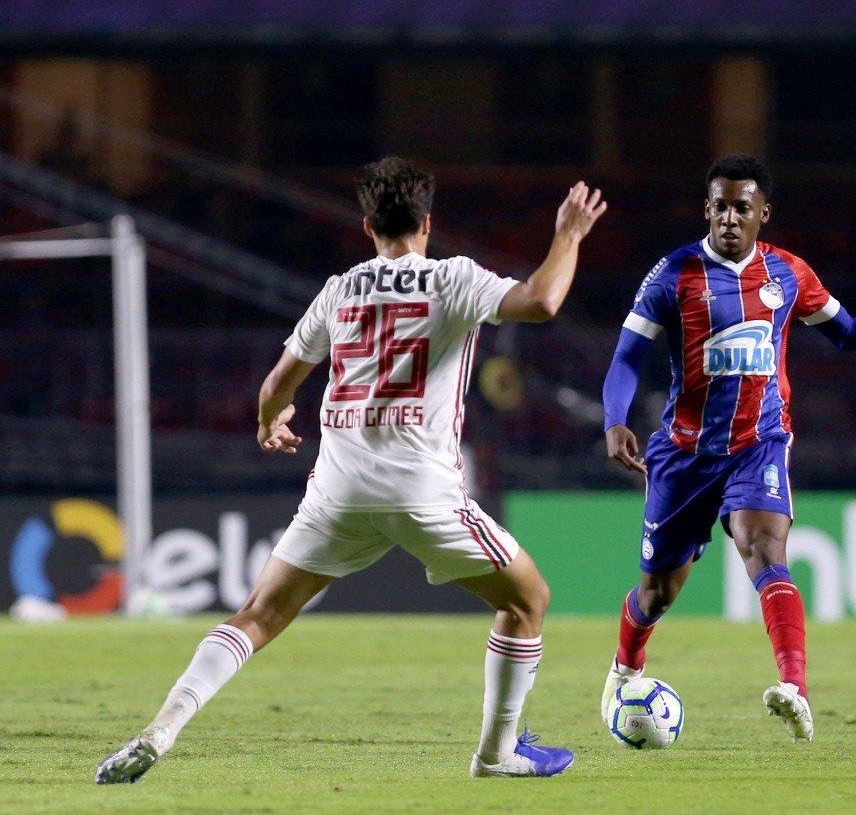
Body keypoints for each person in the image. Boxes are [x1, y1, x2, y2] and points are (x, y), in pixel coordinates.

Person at [95, 158, 607, 783]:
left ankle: (161, 728)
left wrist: (267, 422)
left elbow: (278, 384)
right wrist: (570, 234)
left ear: (367, 226)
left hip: (338, 487)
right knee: (528, 601)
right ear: (427, 221)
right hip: (422, 488)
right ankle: (497, 754)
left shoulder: (339, 289)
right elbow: (542, 300)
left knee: (255, 615)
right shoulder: (451, 279)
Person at [599, 154, 856, 743]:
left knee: (764, 547)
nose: (729, 218)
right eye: (719, 206)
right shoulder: (673, 275)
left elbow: (848, 332)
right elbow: (628, 355)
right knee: (657, 592)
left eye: (741, 208)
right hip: (685, 452)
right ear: (707, 209)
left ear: (763, 215)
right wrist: (614, 419)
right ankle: (625, 667)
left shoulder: (788, 275)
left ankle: (795, 688)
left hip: (759, 443)